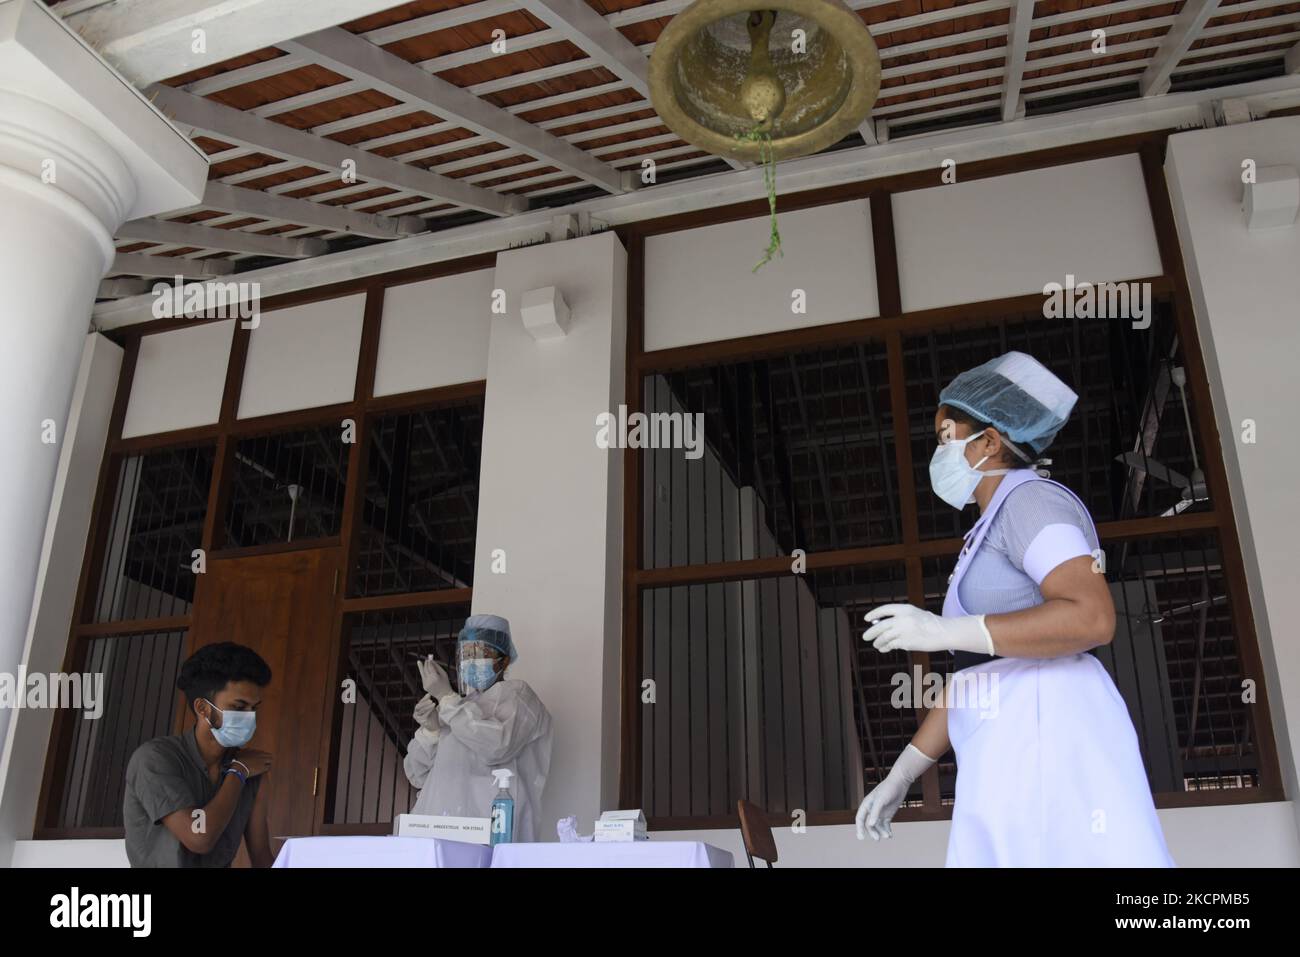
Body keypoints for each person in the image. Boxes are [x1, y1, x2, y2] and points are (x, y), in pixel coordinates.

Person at [857, 351, 1173, 867]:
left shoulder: (1031, 503)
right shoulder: (987, 528)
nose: (938, 452)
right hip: (1003, 734)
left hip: (1045, 725)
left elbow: (1091, 617)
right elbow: (976, 673)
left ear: (987, 441)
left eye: (946, 436)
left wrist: (945, 629)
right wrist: (901, 775)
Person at [123, 642, 274, 867]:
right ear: (203, 709)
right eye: (239, 707)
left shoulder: (252, 772)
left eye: (254, 708)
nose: (249, 717)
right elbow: (199, 837)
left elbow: (262, 857)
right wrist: (238, 772)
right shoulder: (155, 759)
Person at [403, 614, 552, 842]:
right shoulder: (459, 707)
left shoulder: (519, 697)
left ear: (503, 661)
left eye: (481, 653)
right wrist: (431, 731)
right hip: (437, 830)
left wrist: (447, 698)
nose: (471, 662)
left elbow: (497, 745)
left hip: (491, 832)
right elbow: (417, 774)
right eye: (466, 654)